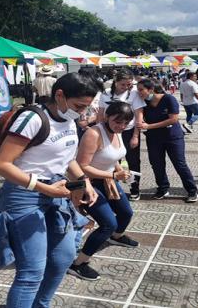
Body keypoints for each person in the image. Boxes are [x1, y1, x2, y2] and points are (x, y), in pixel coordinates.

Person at [0, 73, 100, 307]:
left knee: (63, 257)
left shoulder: (68, 118)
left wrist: (83, 180)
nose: (82, 112)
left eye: (86, 107)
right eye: (79, 105)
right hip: (24, 195)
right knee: (32, 271)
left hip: (56, 191)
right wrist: (43, 188)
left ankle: (41, 304)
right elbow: (2, 164)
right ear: (59, 95)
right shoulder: (32, 119)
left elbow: (66, 158)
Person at [69, 101, 138, 280]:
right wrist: (114, 176)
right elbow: (82, 167)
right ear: (107, 116)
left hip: (108, 180)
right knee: (108, 224)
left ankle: (116, 236)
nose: (122, 126)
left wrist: (118, 169)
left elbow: (111, 155)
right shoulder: (93, 133)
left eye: (126, 123)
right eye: (118, 121)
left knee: (126, 213)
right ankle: (78, 263)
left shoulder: (117, 131)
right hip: (89, 184)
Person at [136, 79, 198, 202]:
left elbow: (173, 119)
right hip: (154, 138)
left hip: (173, 137)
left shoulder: (168, 99)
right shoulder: (144, 102)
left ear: (151, 89)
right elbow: (140, 116)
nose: (139, 93)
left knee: (179, 164)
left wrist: (149, 126)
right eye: (137, 90)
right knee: (157, 164)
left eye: (141, 90)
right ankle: (163, 188)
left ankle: (192, 190)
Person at [98, 69, 145, 201]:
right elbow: (101, 115)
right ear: (115, 82)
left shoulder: (134, 94)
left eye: (129, 84)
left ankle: (135, 189)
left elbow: (139, 115)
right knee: (110, 161)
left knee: (133, 161)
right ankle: (112, 187)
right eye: (123, 84)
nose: (126, 87)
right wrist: (100, 133)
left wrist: (135, 136)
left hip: (128, 131)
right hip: (110, 131)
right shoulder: (106, 94)